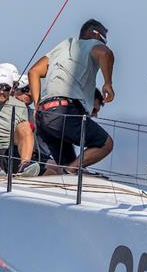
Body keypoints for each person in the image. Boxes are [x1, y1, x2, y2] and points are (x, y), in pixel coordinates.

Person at [28, 19, 115, 173]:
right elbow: (106, 53)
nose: (105, 44)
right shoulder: (90, 45)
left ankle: (69, 172)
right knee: (106, 144)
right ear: (94, 34)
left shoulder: (61, 48)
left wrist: (36, 105)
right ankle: (71, 170)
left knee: (68, 166)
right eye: (104, 39)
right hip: (64, 112)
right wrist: (108, 83)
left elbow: (33, 71)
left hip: (44, 117)